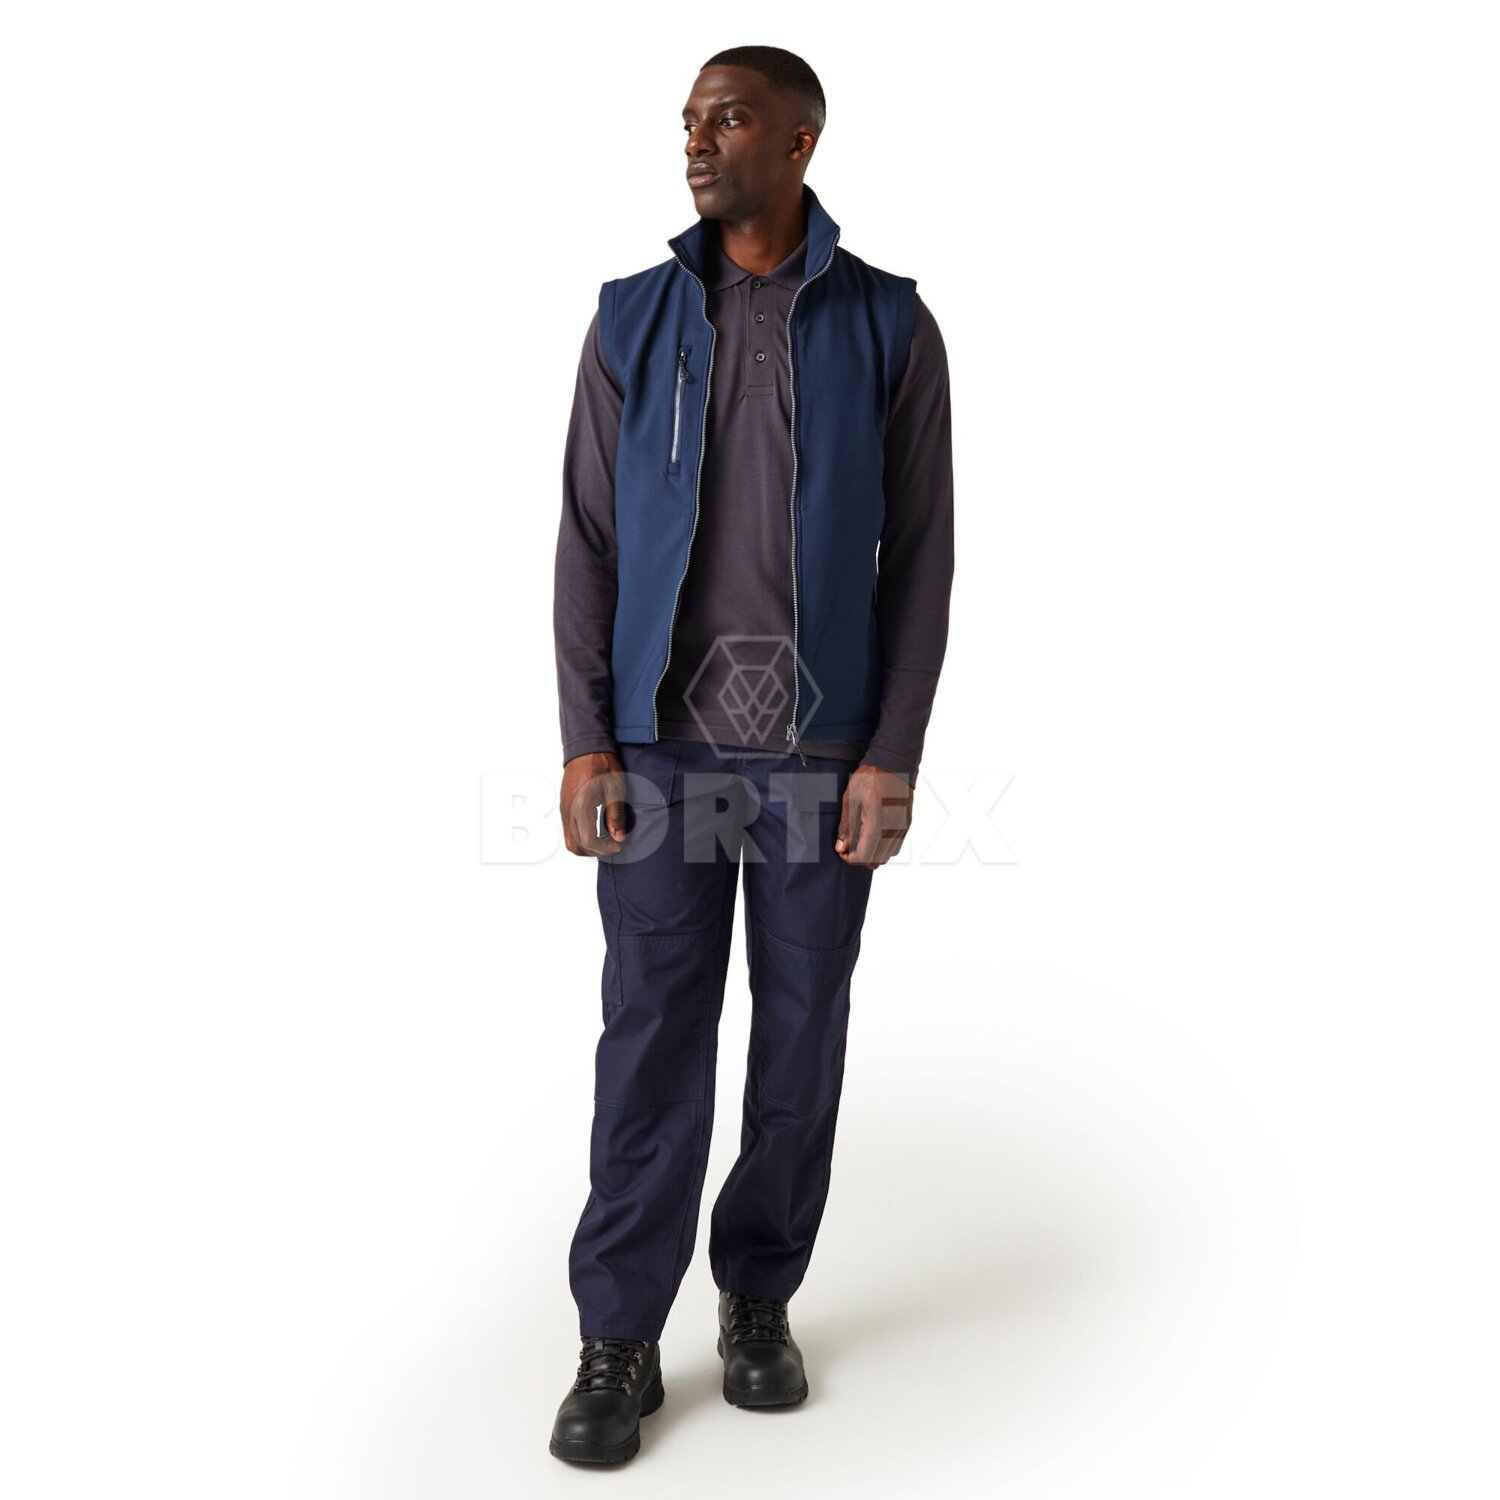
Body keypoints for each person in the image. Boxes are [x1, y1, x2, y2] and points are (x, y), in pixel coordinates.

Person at [548, 45, 955, 1464]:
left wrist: (891, 751)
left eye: (726, 120)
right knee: (651, 1038)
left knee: (800, 1035)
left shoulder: (889, 324)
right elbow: (587, 542)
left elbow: (923, 558)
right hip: (661, 753)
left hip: (820, 753)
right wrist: (586, 739)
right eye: (688, 121)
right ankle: (618, 1336)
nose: (696, 142)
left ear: (799, 141)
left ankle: (759, 1295)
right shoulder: (631, 316)